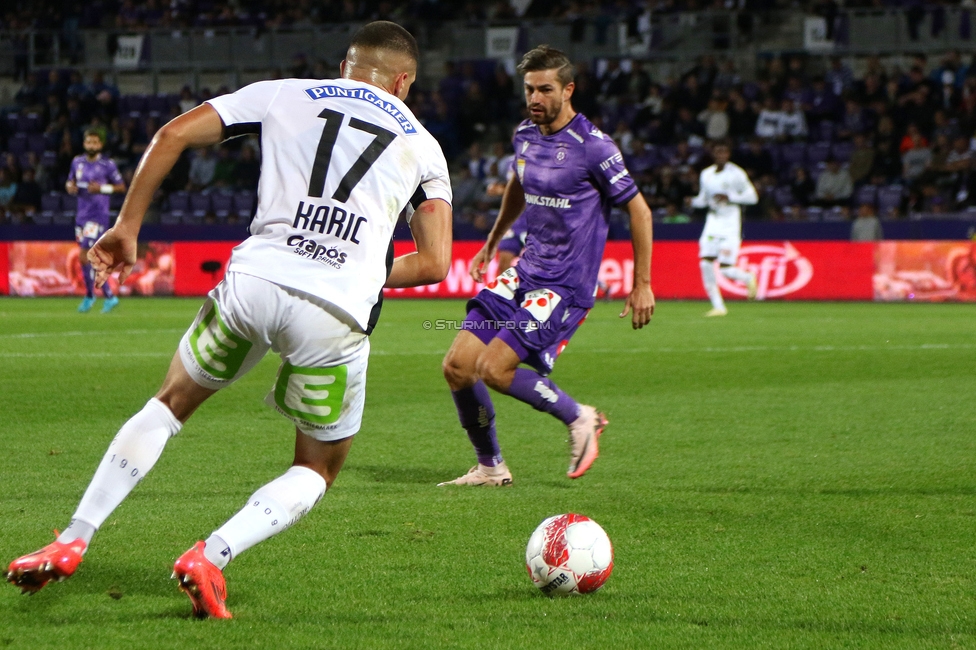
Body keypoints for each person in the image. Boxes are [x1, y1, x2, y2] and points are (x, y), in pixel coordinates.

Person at [6, 21, 453, 620]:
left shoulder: (285, 92)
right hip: (335, 314)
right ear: (404, 80)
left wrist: (129, 227)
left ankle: (72, 538)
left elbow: (171, 135)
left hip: (254, 284)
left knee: (168, 404)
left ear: (345, 66)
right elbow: (435, 262)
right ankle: (210, 556)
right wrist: (363, 269)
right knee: (317, 466)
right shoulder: (423, 144)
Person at [439, 45, 655, 487]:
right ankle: (490, 466)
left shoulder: (594, 147)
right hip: (524, 271)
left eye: (545, 89)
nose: (535, 98)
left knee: (494, 370)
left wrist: (642, 284)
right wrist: (493, 240)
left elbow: (640, 211)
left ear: (568, 90)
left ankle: (580, 417)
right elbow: (518, 186)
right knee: (459, 366)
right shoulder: (525, 134)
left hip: (563, 286)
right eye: (529, 90)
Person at [689, 140, 759, 317]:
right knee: (705, 263)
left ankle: (747, 278)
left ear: (728, 154)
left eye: (724, 152)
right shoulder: (706, 174)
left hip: (730, 222)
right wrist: (693, 202)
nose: (721, 155)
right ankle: (718, 306)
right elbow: (703, 199)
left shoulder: (736, 173)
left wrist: (730, 196)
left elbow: (752, 197)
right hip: (712, 221)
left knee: (726, 269)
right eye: (718, 152)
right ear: (713, 153)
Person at [66, 128, 126, 313]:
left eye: (95, 142)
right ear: (84, 143)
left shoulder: (107, 165)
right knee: (86, 259)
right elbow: (70, 182)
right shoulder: (77, 162)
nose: (91, 145)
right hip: (81, 216)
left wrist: (102, 189)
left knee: (85, 255)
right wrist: (70, 187)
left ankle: (92, 296)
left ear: (100, 144)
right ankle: (106, 296)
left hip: (97, 215)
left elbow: (121, 187)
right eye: (88, 142)